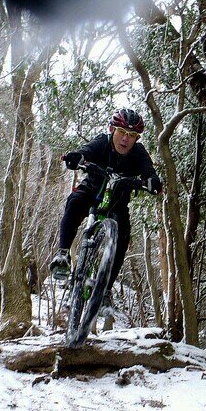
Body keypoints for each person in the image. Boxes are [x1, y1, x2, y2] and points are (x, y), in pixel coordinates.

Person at [49, 108, 162, 309]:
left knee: (123, 236)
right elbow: (85, 151)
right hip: (92, 189)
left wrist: (152, 181)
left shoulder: (139, 152)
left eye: (132, 135)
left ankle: (106, 291)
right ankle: (63, 255)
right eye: (122, 132)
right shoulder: (102, 141)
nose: (126, 139)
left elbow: (148, 171)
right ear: (112, 130)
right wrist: (77, 158)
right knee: (74, 202)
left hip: (118, 202)